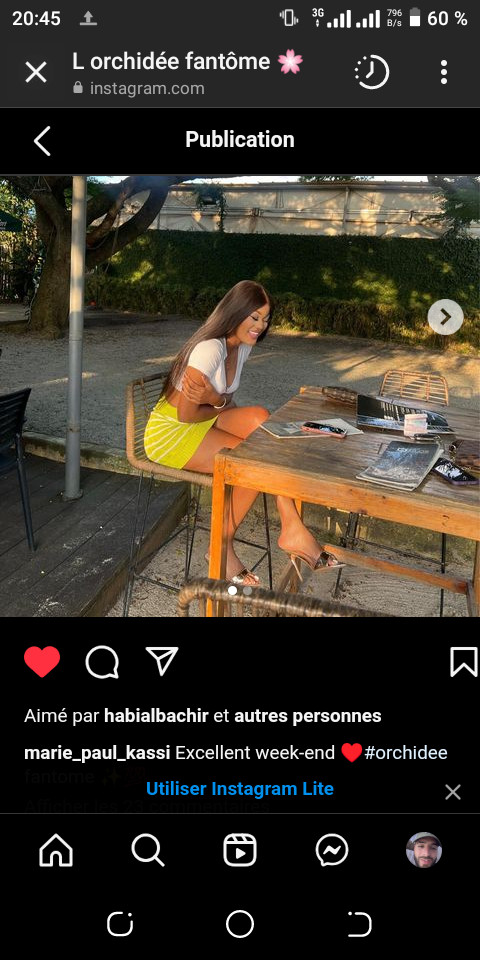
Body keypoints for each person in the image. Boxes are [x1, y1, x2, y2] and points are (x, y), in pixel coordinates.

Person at [144, 280, 342, 585]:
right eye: (255, 317)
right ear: (236, 312)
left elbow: (225, 401)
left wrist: (217, 401)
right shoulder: (209, 349)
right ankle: (222, 546)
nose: (261, 326)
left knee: (260, 418)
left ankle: (291, 525)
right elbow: (186, 415)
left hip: (203, 421)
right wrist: (216, 401)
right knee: (251, 462)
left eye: (266, 319)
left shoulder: (242, 347)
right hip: (172, 434)